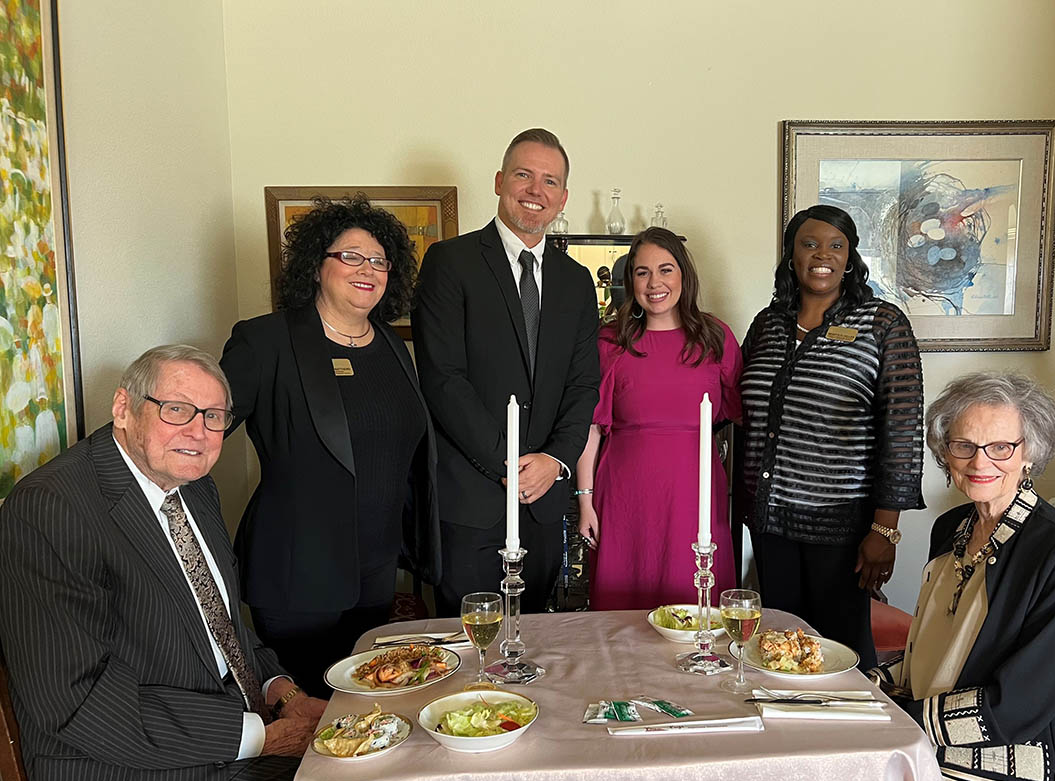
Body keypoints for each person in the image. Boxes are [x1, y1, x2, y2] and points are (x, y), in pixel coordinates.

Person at [0, 345, 327, 781]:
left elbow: (219, 624)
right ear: (123, 409)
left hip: (219, 734)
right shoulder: (52, 507)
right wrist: (260, 739)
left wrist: (283, 691)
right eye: (177, 410)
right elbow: (77, 698)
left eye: (215, 416)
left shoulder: (192, 486)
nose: (199, 432)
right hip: (121, 773)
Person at [220, 194, 439, 697]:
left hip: (377, 568)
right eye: (351, 256)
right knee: (310, 714)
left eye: (380, 260)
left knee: (362, 703)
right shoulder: (266, 342)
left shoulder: (391, 347)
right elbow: (202, 429)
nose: (368, 269)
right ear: (316, 265)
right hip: (299, 567)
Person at [868, 372, 1055, 781]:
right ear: (945, 453)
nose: (980, 463)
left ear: (1029, 452)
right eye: (964, 446)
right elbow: (932, 653)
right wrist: (864, 689)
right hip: (929, 734)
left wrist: (901, 715)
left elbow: (1022, 703)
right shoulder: (951, 528)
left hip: (1016, 764)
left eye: (1000, 447)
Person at [413, 128, 600, 616]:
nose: (536, 191)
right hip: (472, 504)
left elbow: (583, 385)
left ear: (563, 198)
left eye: (550, 181)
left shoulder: (576, 282)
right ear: (499, 181)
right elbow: (443, 379)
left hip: (542, 504)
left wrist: (555, 461)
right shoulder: (449, 263)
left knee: (533, 645)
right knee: (468, 650)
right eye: (524, 175)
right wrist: (510, 465)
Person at [740, 204, 925, 670]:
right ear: (791, 254)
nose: (822, 255)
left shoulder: (882, 324)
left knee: (842, 651)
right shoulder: (768, 324)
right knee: (778, 647)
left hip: (842, 526)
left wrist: (885, 530)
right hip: (770, 521)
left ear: (850, 257)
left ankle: (852, 739)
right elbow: (738, 412)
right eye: (809, 243)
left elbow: (902, 433)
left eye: (836, 245)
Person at [575, 227, 742, 609]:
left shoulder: (716, 338)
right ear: (629, 281)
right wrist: (585, 501)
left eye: (666, 270)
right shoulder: (609, 342)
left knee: (695, 598)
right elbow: (591, 427)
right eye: (642, 272)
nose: (655, 283)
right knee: (623, 599)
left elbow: (737, 419)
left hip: (695, 492)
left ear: (684, 275)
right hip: (624, 494)